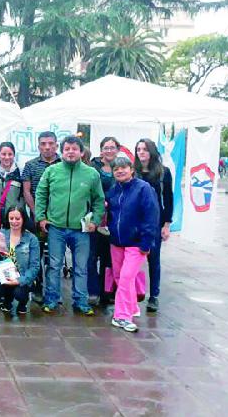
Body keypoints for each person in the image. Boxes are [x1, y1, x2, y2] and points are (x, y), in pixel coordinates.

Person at [35, 136, 106, 316]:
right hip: (56, 228)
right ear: (62, 151)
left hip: (81, 229)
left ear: (81, 152)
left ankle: (80, 301)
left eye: (75, 148)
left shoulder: (91, 174)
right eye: (67, 149)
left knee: (81, 267)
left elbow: (99, 200)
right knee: (54, 265)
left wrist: (95, 221)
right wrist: (41, 218)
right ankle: (51, 300)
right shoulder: (52, 171)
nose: (70, 152)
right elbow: (41, 194)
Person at [104, 156, 160, 333]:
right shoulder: (113, 191)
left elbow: (151, 216)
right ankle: (132, 307)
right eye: (116, 169)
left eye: (123, 168)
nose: (120, 171)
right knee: (120, 277)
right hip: (117, 242)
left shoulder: (143, 189)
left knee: (127, 277)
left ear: (131, 169)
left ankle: (122, 316)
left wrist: (146, 242)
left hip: (136, 243)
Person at [21, 131, 61, 303]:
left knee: (55, 257)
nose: (47, 147)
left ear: (56, 145)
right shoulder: (30, 165)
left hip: (59, 218)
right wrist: (37, 213)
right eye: (43, 143)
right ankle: (37, 288)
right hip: (37, 218)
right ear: (38, 146)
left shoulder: (64, 163)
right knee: (35, 254)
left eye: (50, 143)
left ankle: (54, 292)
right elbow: (27, 191)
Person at [134, 138, 173, 313]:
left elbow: (169, 199)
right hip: (134, 222)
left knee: (153, 259)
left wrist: (166, 224)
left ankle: (154, 295)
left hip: (154, 223)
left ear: (152, 151)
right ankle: (133, 292)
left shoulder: (163, 172)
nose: (141, 152)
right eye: (138, 149)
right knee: (132, 259)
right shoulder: (132, 171)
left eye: (144, 149)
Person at [0, 206, 41, 316]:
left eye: (17, 218)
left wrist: (20, 280)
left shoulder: (32, 239)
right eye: (11, 218)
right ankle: (7, 301)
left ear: (23, 219)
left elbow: (35, 266)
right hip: (6, 274)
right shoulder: (1, 234)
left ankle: (22, 303)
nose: (14, 222)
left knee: (19, 293)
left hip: (23, 275)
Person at [87, 137, 120, 306]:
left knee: (109, 258)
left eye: (112, 147)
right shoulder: (92, 167)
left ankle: (106, 291)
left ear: (117, 150)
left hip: (114, 219)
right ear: (101, 150)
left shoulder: (122, 167)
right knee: (91, 256)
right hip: (94, 217)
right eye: (106, 147)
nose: (109, 151)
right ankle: (93, 291)